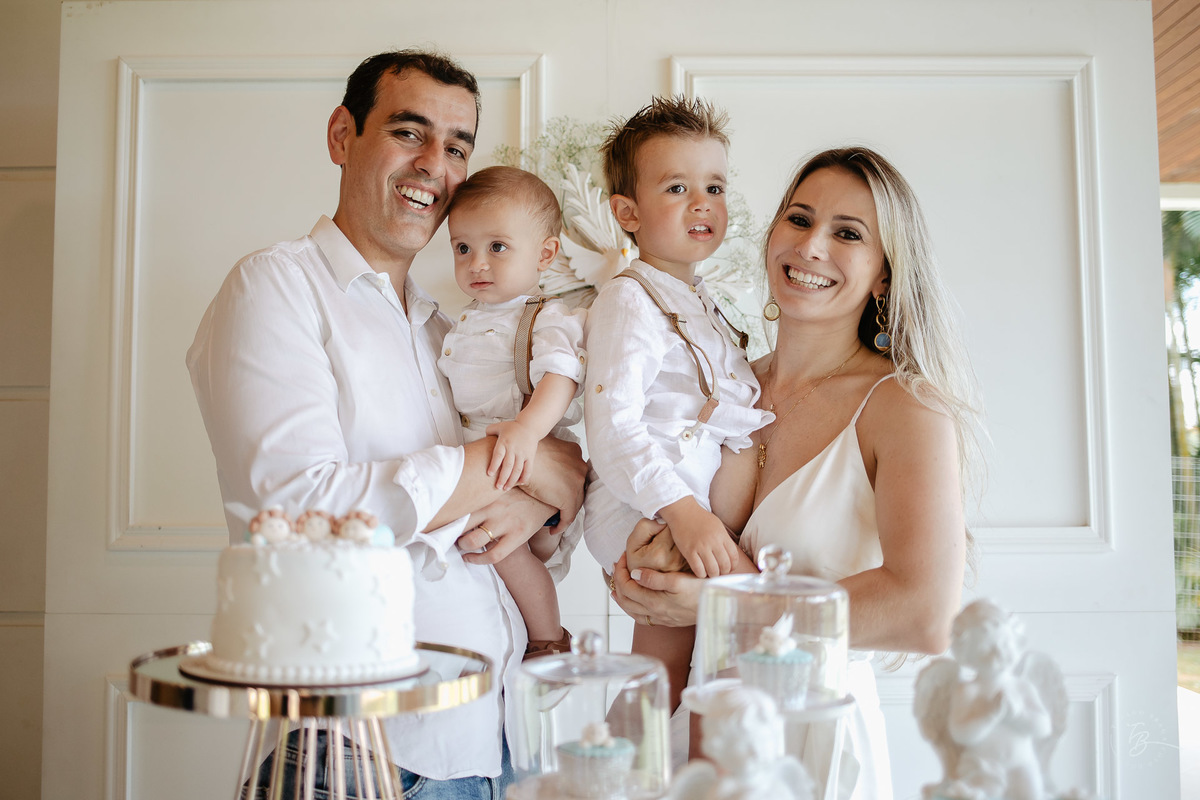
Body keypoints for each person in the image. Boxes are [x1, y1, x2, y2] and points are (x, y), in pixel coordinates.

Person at [186, 50, 587, 798]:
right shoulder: (276, 287)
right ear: (343, 135)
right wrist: (522, 461)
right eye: (410, 132)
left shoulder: (453, 334)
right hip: (362, 751)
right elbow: (303, 512)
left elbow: (528, 520)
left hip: (497, 738)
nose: (435, 164)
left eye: (458, 146)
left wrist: (540, 491)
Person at [611, 146, 980, 800]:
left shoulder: (904, 406)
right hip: (690, 751)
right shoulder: (720, 392)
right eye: (799, 219)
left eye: (847, 233)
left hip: (811, 746)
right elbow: (670, 599)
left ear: (885, 275)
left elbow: (925, 612)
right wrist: (619, 751)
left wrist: (727, 605)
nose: (811, 246)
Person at [582, 96, 773, 712]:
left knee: (708, 674)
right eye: (677, 187)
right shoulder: (628, 298)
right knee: (659, 684)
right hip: (651, 505)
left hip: (686, 505)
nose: (702, 203)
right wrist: (684, 511)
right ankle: (635, 766)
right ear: (627, 212)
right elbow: (612, 424)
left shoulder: (701, 299)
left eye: (714, 186)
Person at [438, 165, 587, 657]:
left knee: (509, 557)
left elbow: (560, 377)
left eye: (497, 247)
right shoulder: (462, 319)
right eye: (463, 248)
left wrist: (526, 430)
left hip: (523, 454)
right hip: (485, 456)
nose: (477, 262)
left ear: (545, 253)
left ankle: (547, 637)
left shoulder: (546, 317)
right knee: (488, 552)